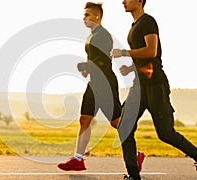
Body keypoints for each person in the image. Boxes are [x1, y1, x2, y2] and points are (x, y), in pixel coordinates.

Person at [111, 0, 197, 179]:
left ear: (140, 1)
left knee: (165, 133)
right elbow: (144, 59)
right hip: (139, 85)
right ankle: (133, 175)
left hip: (155, 86)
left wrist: (125, 53)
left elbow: (151, 51)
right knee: (124, 128)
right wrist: (131, 68)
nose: (123, 1)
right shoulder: (134, 26)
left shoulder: (148, 21)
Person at [57, 2, 144, 172]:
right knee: (84, 120)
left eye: (88, 15)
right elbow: (95, 59)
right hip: (94, 82)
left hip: (105, 84)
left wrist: (86, 66)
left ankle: (135, 155)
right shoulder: (92, 35)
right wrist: (87, 69)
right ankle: (78, 159)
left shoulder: (103, 35)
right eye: (84, 15)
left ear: (97, 16)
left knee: (116, 122)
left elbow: (104, 60)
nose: (84, 18)